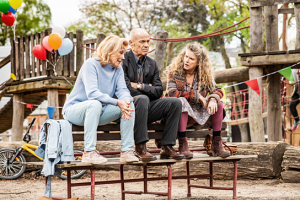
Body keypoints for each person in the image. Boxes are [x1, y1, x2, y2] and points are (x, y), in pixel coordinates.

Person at [62, 35, 139, 164]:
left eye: (124, 53)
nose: (123, 57)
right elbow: (92, 93)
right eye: (121, 52)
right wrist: (116, 102)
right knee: (95, 103)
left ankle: (127, 151)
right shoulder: (90, 64)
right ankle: (89, 152)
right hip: (74, 111)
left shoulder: (118, 69)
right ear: (110, 50)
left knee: (129, 103)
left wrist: (125, 100)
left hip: (99, 111)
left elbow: (122, 90)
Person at [122, 28, 184, 161]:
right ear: (131, 43)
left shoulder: (151, 63)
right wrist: (147, 90)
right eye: (142, 42)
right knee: (142, 98)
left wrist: (139, 85)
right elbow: (126, 88)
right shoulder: (123, 60)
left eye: (148, 42)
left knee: (175, 102)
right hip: (127, 108)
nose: (146, 45)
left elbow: (158, 91)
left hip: (148, 107)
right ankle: (140, 147)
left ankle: (167, 146)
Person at [165, 43, 230, 158]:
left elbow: (218, 90)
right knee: (181, 101)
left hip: (197, 115)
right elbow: (172, 93)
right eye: (186, 56)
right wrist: (196, 96)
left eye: (191, 59)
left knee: (218, 103)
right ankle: (183, 144)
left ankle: (217, 142)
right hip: (177, 115)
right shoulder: (174, 71)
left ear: (198, 62)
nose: (187, 60)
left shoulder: (204, 74)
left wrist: (213, 99)